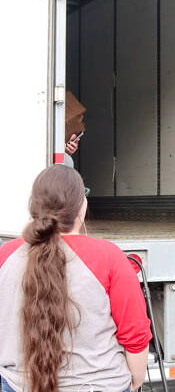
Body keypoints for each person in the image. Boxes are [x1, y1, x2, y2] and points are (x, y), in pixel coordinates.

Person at [0, 165, 152, 392]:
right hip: (99, 385)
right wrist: (135, 381)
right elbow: (135, 335)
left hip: (18, 385)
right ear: (81, 207)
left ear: (34, 206)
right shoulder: (109, 256)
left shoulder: (6, 255)